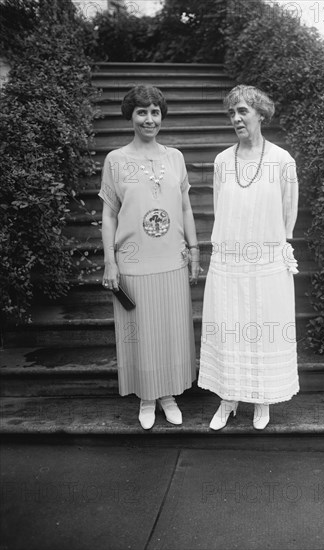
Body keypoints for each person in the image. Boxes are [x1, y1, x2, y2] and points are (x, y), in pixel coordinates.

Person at [198, 85, 299, 430]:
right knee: (230, 327)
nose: (236, 118)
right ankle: (229, 399)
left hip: (268, 260)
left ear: (260, 114)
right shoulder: (222, 161)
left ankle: (262, 398)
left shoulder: (282, 160)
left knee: (263, 327)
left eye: (242, 111)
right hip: (229, 259)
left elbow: (289, 210)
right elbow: (220, 209)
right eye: (231, 113)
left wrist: (283, 247)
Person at [99, 84, 200, 430]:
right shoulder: (115, 159)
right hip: (133, 261)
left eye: (155, 111)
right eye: (142, 111)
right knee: (140, 332)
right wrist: (110, 261)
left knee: (170, 330)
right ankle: (146, 396)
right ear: (131, 116)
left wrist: (195, 249)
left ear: (162, 116)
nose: (149, 118)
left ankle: (168, 394)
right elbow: (110, 214)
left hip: (172, 258)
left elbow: (185, 206)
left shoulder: (175, 157)